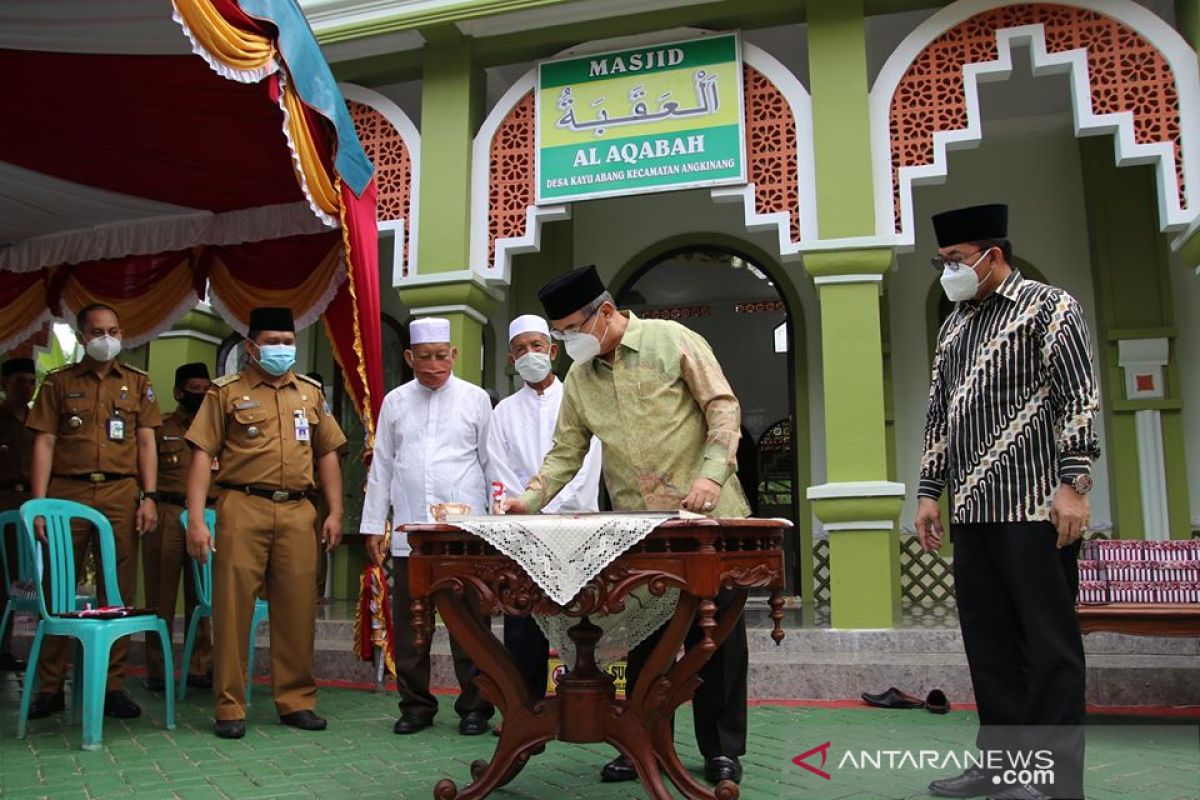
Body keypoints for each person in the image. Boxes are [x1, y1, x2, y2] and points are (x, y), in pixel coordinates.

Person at [500, 265, 751, 786]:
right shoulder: (579, 378)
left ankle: (722, 749)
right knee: (645, 640)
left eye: (571, 329)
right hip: (639, 528)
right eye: (560, 333)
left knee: (716, 639)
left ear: (607, 313)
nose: (566, 341)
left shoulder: (672, 340)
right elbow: (566, 451)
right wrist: (529, 500)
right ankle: (641, 741)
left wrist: (710, 475)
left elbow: (723, 409)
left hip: (709, 516)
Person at [916, 204, 1097, 800]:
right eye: (942, 262)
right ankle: (1000, 768)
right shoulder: (953, 326)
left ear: (993, 255)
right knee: (990, 648)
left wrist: (1075, 485)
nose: (948, 272)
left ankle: (1054, 780)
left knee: (1048, 648)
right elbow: (940, 414)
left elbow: (1078, 399)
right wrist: (928, 493)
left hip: (1034, 507)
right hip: (972, 510)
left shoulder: (1050, 307)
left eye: (956, 260)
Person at [185, 306, 346, 739]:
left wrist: (335, 511)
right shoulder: (226, 393)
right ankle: (230, 707)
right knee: (233, 609)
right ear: (252, 347)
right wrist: (198, 518)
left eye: (288, 342)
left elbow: (327, 453)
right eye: (272, 342)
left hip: (298, 511)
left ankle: (295, 701)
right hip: (242, 505)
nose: (282, 349)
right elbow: (202, 453)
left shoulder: (310, 393)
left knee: (297, 610)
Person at [25, 303, 161, 720]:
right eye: (99, 331)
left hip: (121, 493)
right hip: (67, 493)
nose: (108, 339)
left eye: (115, 331)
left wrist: (150, 496)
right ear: (83, 337)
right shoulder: (58, 382)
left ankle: (111, 685)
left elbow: (145, 443)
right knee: (59, 592)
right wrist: (40, 505)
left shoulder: (138, 383)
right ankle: (50, 686)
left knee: (116, 592)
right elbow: (44, 442)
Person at [360, 317, 495, 737]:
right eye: (424, 357)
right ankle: (416, 705)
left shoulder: (476, 399)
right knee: (412, 626)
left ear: (453, 355)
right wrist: (372, 526)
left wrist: (494, 528)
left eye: (441, 356)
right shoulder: (395, 402)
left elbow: (491, 464)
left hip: (465, 536)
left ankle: (476, 707)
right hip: (410, 533)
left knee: (471, 624)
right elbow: (381, 466)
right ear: (409, 357)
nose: (433, 365)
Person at [486, 314, 603, 705]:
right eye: (521, 349)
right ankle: (524, 706)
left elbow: (587, 465)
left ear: (553, 351)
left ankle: (583, 700)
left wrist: (554, 508)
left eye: (537, 346)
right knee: (523, 619)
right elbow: (498, 469)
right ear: (510, 358)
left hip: (576, 524)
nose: (530, 355)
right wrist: (527, 512)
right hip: (524, 532)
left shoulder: (580, 397)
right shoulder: (503, 412)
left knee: (580, 615)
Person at [142, 363, 215, 692]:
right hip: (169, 513)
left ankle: (200, 667)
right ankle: (157, 669)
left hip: (208, 517)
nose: (199, 395)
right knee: (161, 595)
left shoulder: (219, 429)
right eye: (193, 389)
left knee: (203, 598)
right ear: (178, 392)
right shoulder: (162, 427)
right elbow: (145, 469)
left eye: (204, 389)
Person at [0, 357, 37, 672]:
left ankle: (6, 646)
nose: (27, 387)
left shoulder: (37, 420)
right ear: (5, 384)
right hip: (3, 497)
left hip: (30, 502)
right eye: (20, 381)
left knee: (15, 576)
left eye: (31, 381)